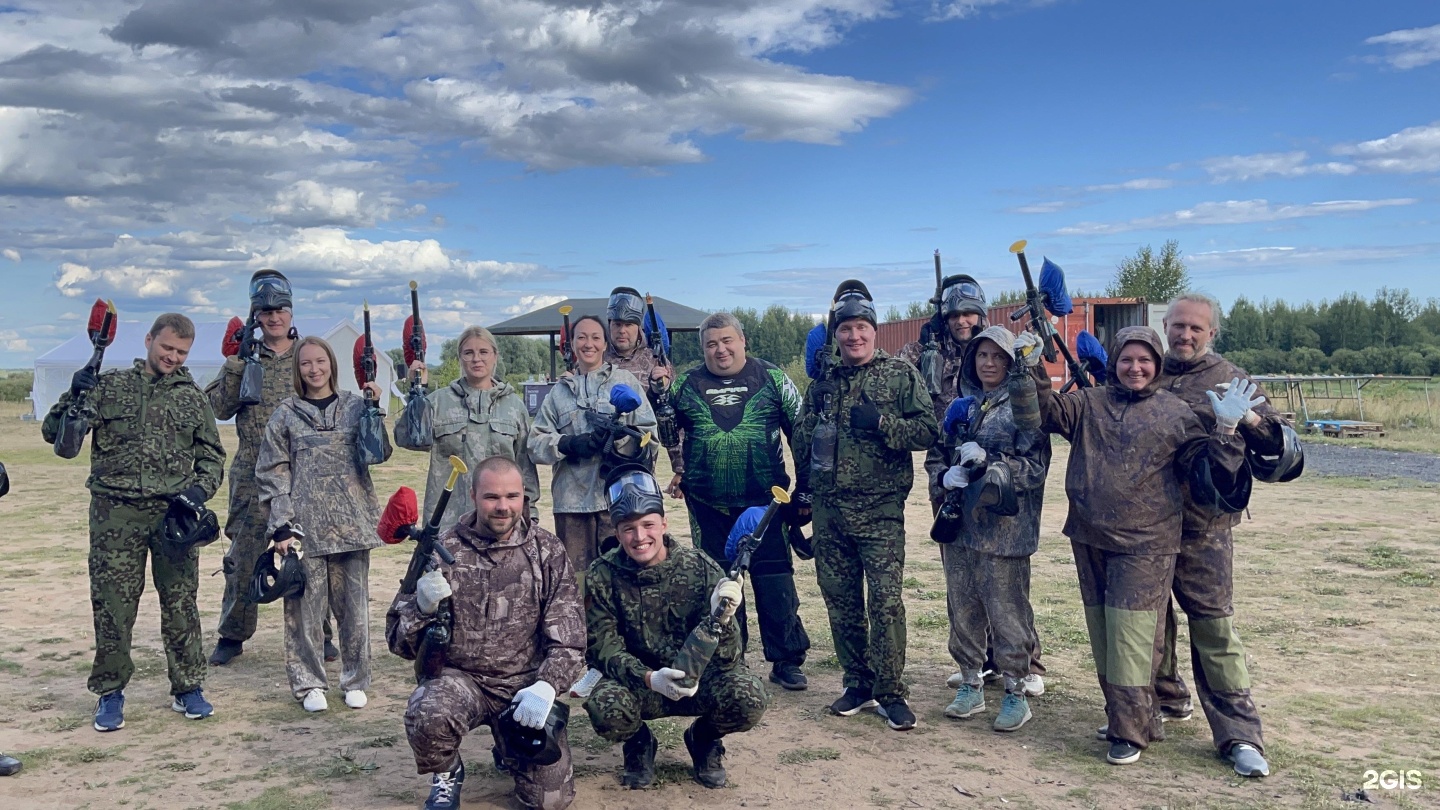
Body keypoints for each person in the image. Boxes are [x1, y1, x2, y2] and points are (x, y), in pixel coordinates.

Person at [1033, 326, 1255, 766]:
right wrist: (1031, 368)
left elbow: (1209, 473)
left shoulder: (1175, 412)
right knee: (1105, 636)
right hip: (1090, 537)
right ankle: (1131, 715)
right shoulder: (1090, 403)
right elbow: (1045, 413)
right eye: (1126, 360)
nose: (1136, 368)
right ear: (1114, 363)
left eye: (1145, 360)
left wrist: (1227, 431)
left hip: (1148, 543)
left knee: (1133, 638)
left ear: (1156, 365)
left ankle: (1130, 733)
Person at [42, 313, 226, 732]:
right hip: (115, 514)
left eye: (181, 352)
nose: (173, 357)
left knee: (180, 603)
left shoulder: (192, 397)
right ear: (149, 341)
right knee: (113, 606)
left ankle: (188, 687)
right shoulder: (109, 386)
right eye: (167, 348)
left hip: (172, 517)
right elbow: (58, 440)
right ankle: (110, 692)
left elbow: (213, 457)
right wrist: (72, 394)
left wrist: (195, 495)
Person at [1150, 292, 1301, 778]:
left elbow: (1282, 448)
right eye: (1178, 326)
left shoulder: (1232, 379)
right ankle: (1164, 700)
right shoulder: (1146, 369)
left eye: (1196, 328)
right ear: (1165, 326)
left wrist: (1248, 418)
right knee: (1147, 625)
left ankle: (1240, 735)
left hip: (1205, 525)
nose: (1185, 335)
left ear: (1212, 333)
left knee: (1213, 628)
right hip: (1145, 522)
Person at [388, 457, 585, 810]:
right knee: (427, 712)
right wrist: (422, 607)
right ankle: (447, 772)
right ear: (473, 495)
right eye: (492, 497)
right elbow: (397, 641)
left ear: (524, 495)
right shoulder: (441, 551)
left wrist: (546, 686)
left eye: (512, 496)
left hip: (525, 687)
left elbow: (570, 637)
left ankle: (509, 746)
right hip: (461, 680)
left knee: (549, 801)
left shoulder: (547, 550)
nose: (503, 507)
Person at [794, 280, 939, 731]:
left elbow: (927, 431)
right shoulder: (823, 383)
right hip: (830, 512)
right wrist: (815, 417)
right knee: (840, 603)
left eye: (861, 327)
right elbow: (799, 443)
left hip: (878, 512)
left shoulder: (898, 375)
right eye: (845, 329)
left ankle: (891, 692)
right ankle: (856, 682)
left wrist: (881, 423)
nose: (853, 336)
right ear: (835, 335)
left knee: (886, 603)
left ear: (873, 331)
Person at [899, 275, 1046, 696]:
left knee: (1006, 594)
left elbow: (1033, 448)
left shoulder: (1015, 372)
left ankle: (1022, 667)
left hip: (1002, 508)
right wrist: (942, 480)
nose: (962, 321)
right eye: (955, 314)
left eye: (970, 313)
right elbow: (930, 435)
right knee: (963, 591)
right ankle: (974, 669)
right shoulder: (928, 351)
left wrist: (993, 466)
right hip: (956, 497)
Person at [583, 466, 768, 789]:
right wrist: (649, 678)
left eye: (648, 525)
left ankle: (703, 739)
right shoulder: (601, 575)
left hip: (698, 685)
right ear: (616, 532)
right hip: (642, 684)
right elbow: (603, 649)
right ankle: (639, 745)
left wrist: (722, 619)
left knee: (748, 697)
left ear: (664, 524)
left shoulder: (700, 568)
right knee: (606, 708)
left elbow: (729, 659)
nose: (640, 538)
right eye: (628, 529)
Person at [668, 311, 812, 690]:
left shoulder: (773, 378)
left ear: (743, 341)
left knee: (774, 581)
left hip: (767, 504)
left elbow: (801, 433)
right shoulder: (685, 385)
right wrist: (678, 467)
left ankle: (786, 660)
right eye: (712, 344)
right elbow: (665, 427)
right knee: (721, 584)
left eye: (727, 340)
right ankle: (731, 659)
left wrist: (805, 489)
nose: (721, 350)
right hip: (707, 505)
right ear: (703, 349)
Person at [206, 269, 336, 667]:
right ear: (255, 316)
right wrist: (237, 362)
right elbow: (218, 407)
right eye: (265, 310)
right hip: (251, 472)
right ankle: (232, 633)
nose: (273, 316)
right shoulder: (246, 359)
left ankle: (321, 633)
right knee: (242, 557)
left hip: (304, 471)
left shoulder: (307, 356)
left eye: (280, 308)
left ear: (291, 311)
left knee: (310, 556)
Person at [255, 336, 392, 712]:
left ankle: (355, 679)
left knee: (354, 611)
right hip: (305, 529)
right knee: (303, 611)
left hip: (352, 523)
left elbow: (378, 453)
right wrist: (281, 524)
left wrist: (374, 409)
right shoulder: (286, 413)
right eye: (305, 364)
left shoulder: (355, 406)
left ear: (332, 363)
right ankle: (309, 683)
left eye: (320, 362)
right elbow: (272, 470)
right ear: (297, 370)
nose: (314, 369)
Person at [937, 326, 1051, 731]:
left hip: (1006, 529)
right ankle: (970, 683)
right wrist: (944, 476)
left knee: (1007, 613)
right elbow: (940, 451)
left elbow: (1035, 468)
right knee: (962, 606)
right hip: (961, 528)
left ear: (1011, 361)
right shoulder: (965, 405)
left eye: (998, 356)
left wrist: (991, 464)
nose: (989, 363)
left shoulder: (1024, 408)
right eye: (981, 355)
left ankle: (1016, 690)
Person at [529, 314, 658, 579]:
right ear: (573, 344)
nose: (589, 344)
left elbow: (650, 438)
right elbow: (535, 443)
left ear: (604, 343)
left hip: (621, 503)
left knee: (625, 581)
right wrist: (568, 444)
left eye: (596, 337)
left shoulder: (625, 382)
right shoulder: (559, 392)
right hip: (571, 508)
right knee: (578, 585)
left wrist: (620, 441)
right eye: (582, 337)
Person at [396, 325, 541, 528]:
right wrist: (417, 392)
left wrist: (529, 513)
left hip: (501, 521)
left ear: (495, 356)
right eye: (468, 353)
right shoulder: (437, 402)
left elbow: (524, 466)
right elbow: (406, 439)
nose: (476, 359)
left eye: (483, 352)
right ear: (459, 358)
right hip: (449, 521)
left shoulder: (513, 406)